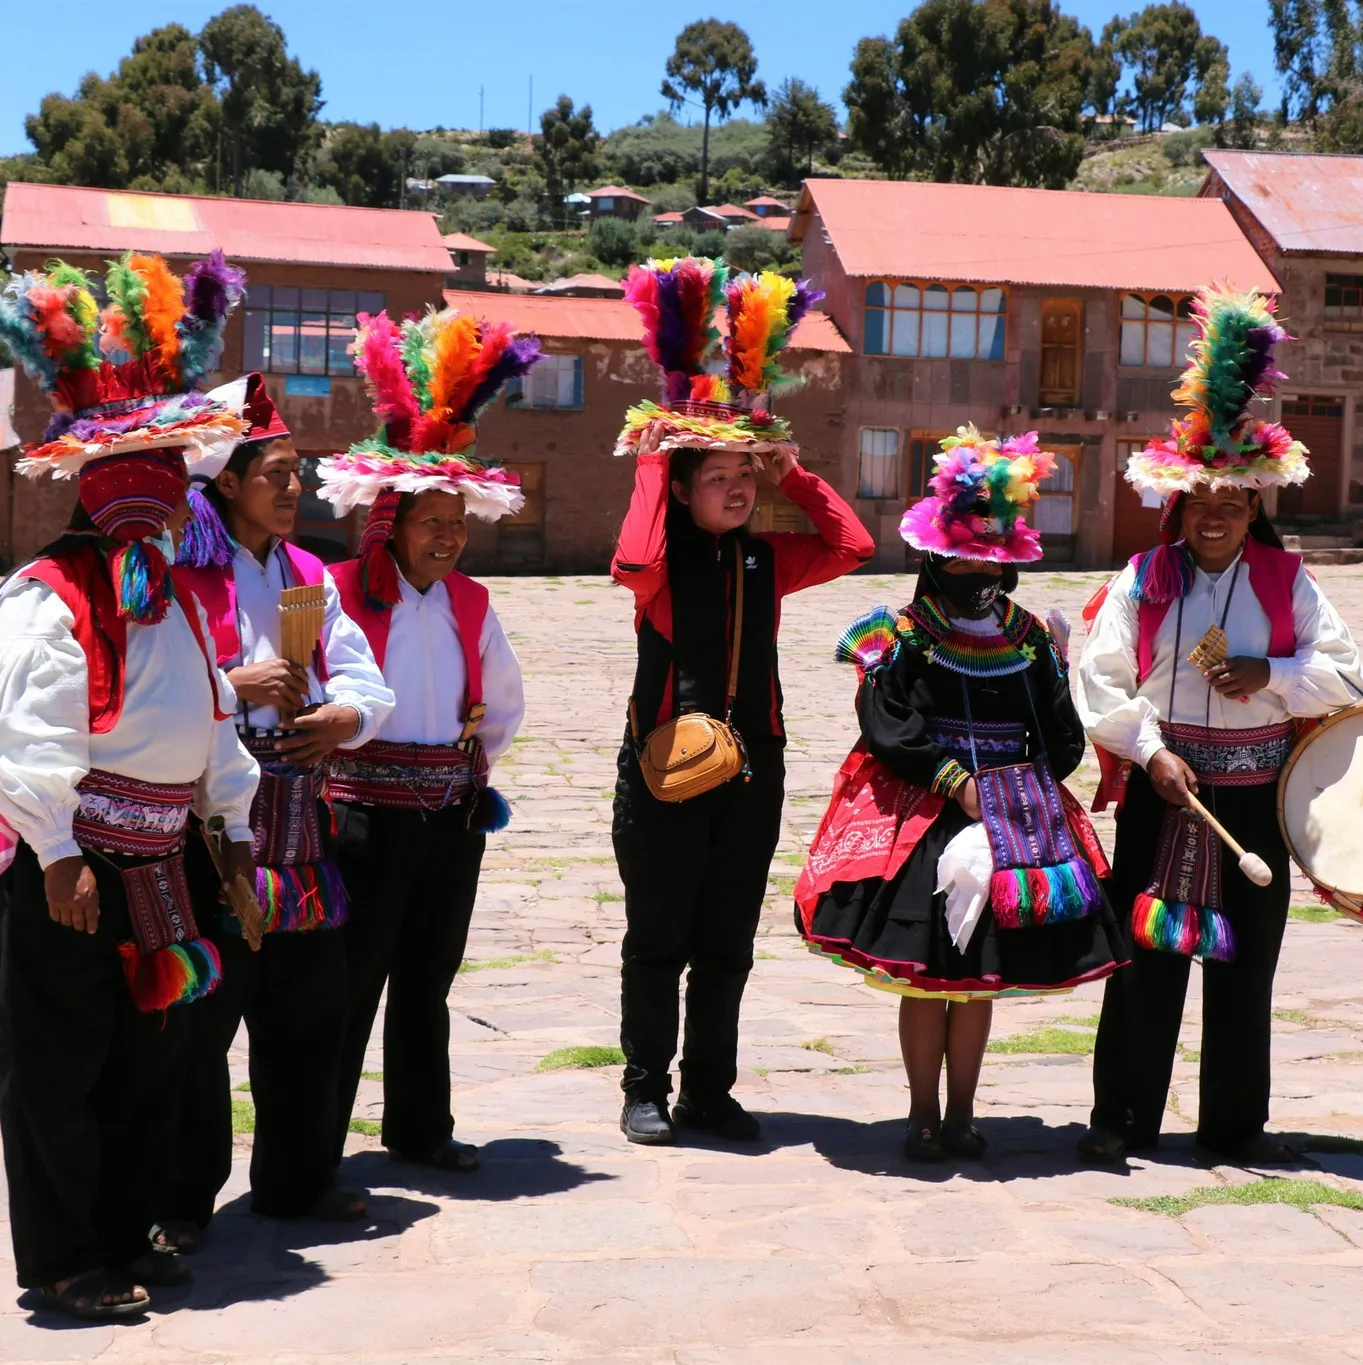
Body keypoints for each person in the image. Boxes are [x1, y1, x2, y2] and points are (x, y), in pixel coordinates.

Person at [0, 254, 259, 1319]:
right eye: (140, 512)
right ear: (102, 503)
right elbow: (22, 733)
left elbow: (213, 727)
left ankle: (127, 1235)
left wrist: (233, 833)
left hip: (162, 862)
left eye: (168, 512)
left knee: (151, 1060)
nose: (157, 531)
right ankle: (64, 1262)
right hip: (75, 868)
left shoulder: (186, 609)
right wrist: (56, 850)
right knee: (61, 1070)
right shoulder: (47, 597)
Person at [1076, 284, 1363, 1165]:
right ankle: (1119, 1118)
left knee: (1245, 970)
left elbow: (1349, 672)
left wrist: (1270, 674)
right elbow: (1099, 675)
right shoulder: (1142, 577)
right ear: (1178, 502)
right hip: (1164, 796)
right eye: (1200, 495)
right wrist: (1152, 752)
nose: (1213, 511)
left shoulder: (1289, 584)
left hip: (1254, 806)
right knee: (1145, 965)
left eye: (1232, 500)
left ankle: (1234, 1127)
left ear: (1253, 508)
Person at [795, 426, 1126, 1160]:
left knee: (976, 978)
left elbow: (1061, 736)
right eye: (957, 557)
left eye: (985, 558)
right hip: (925, 815)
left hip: (1008, 816)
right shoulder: (901, 635)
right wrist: (955, 783)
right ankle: (919, 1112)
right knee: (930, 977)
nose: (971, 570)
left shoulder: (1032, 638)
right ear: (932, 557)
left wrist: (1023, 786)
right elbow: (888, 725)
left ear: (1005, 561)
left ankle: (962, 1114)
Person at [611, 258, 875, 1146]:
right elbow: (631, 557)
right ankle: (643, 1086)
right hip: (663, 767)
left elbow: (851, 544)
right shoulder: (660, 563)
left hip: (752, 766)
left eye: (743, 475)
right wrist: (661, 457)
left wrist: (790, 470)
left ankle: (707, 1092)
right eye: (718, 474)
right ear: (685, 488)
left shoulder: (764, 557)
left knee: (726, 941)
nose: (737, 486)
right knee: (658, 938)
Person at [153, 373, 394, 1242]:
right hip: (210, 826)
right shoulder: (180, 569)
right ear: (226, 481)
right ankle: (180, 1200)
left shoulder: (308, 576)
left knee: (309, 1014)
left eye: (300, 473)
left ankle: (298, 1176)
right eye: (277, 474)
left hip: (300, 824)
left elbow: (365, 679)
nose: (295, 490)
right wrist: (234, 683)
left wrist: (344, 716)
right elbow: (148, 687)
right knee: (201, 1019)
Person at [316, 306, 533, 1174]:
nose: (448, 537)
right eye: (430, 522)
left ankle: (418, 1126)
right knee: (348, 980)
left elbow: (506, 705)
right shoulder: (332, 593)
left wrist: (460, 769)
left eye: (457, 523)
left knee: (427, 978)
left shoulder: (471, 604)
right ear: (390, 524)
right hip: (355, 816)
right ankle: (317, 1143)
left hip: (447, 813)